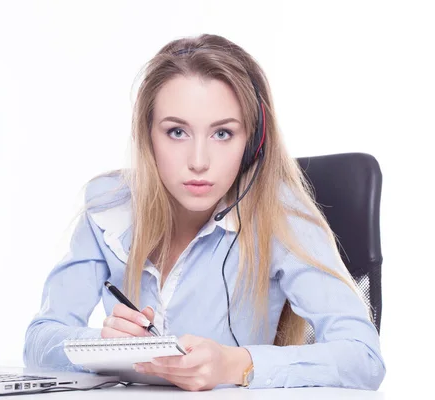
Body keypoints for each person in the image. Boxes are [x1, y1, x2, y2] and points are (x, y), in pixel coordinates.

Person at [22, 34, 385, 391]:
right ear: (148, 135)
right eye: (177, 132)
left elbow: (363, 357)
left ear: (252, 142)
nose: (199, 162)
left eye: (223, 134)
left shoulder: (280, 213)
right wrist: (102, 344)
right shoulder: (108, 207)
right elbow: (39, 340)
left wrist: (237, 364)